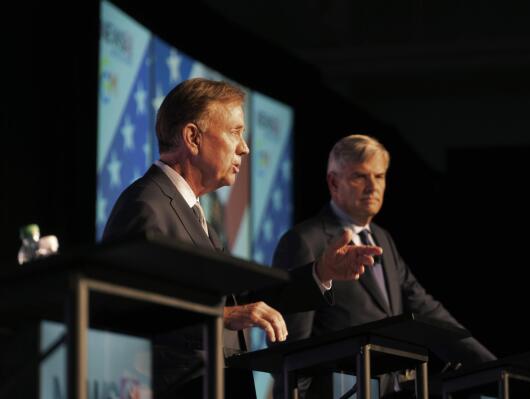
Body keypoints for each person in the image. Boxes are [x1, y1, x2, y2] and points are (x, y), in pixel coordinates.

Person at [102, 79, 382, 399]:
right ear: (192, 137)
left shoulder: (192, 211)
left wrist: (322, 272)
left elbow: (244, 301)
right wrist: (225, 317)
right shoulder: (146, 205)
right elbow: (131, 306)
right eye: (235, 131)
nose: (244, 147)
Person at [272, 134, 496, 398]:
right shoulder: (304, 241)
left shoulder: (383, 239)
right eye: (360, 177)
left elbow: (428, 311)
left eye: (379, 177)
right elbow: (290, 344)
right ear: (333, 182)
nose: (372, 187)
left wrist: (493, 369)